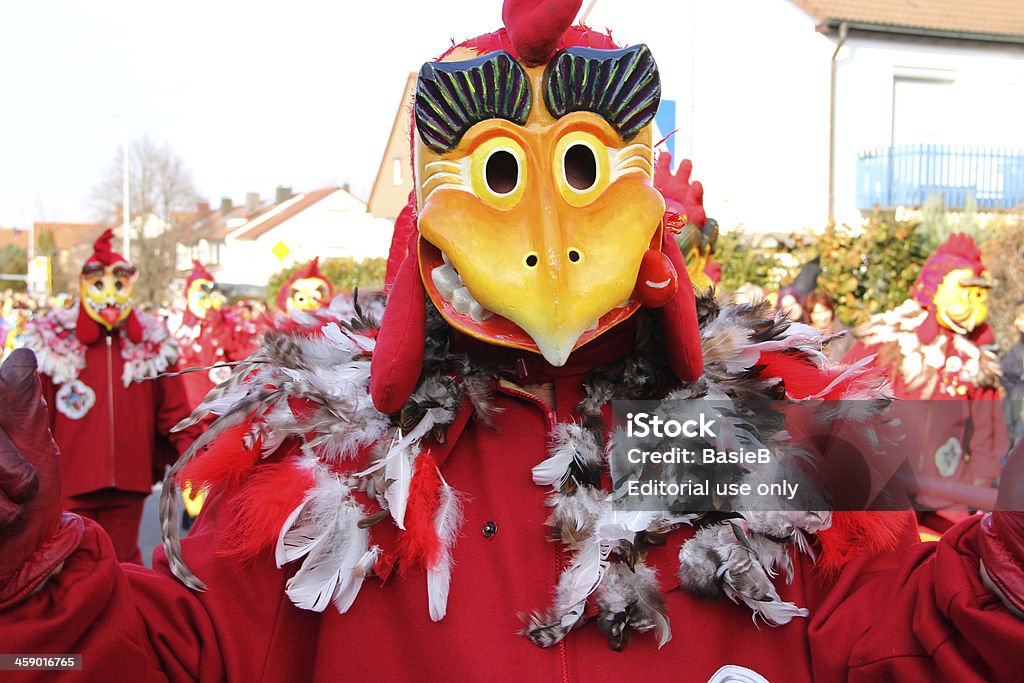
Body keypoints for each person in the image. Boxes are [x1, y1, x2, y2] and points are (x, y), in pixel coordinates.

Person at [2, 4, 1024, 681]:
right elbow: (183, 657)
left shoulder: (779, 415)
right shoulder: (314, 445)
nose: (547, 231)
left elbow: (901, 638)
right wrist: (30, 576)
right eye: (500, 169)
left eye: (580, 162)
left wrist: (1012, 568)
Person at [18, 229, 202, 563]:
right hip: (69, 484)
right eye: (99, 284)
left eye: (119, 284)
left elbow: (175, 415)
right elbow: (32, 418)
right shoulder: (53, 344)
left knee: (122, 570)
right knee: (72, 569)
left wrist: (201, 467)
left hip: (129, 484)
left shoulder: (152, 344)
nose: (110, 295)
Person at [805, 289, 852, 362]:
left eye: (825, 311)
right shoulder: (804, 340)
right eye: (817, 313)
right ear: (810, 315)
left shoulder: (847, 335)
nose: (823, 317)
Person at [1001, 302, 1024, 447]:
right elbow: (1005, 370)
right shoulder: (1018, 348)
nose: (1016, 323)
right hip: (1014, 407)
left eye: (1020, 318)